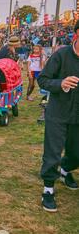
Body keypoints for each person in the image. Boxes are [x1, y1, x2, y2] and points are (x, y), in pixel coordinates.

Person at [37, 20, 79, 213]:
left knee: (76, 153)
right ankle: (48, 189)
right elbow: (42, 80)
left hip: (77, 116)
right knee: (52, 152)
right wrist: (60, 83)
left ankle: (64, 170)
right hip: (58, 113)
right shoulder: (61, 55)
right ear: (76, 36)